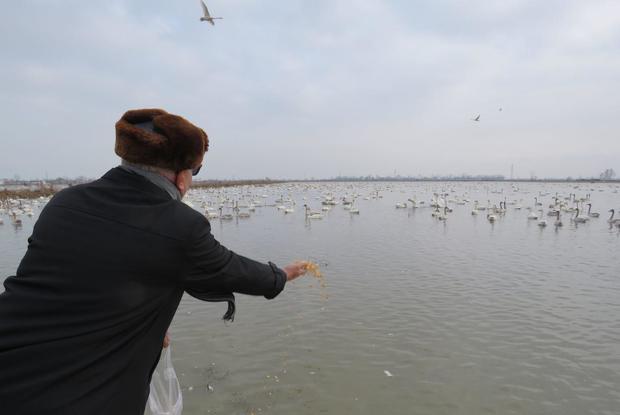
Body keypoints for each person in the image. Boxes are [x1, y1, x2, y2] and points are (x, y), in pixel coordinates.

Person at [0, 108, 308, 414]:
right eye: (195, 170)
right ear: (181, 175)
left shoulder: (64, 203)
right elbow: (229, 269)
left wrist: (144, 322)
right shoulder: (180, 226)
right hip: (80, 395)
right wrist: (280, 275)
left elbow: (80, 280)